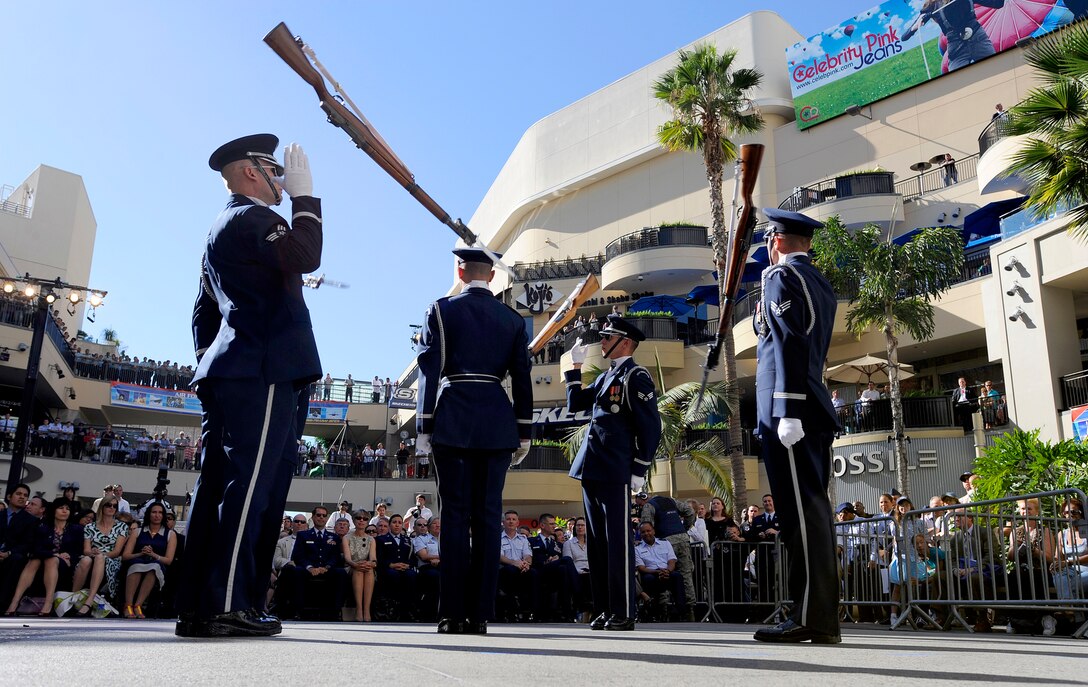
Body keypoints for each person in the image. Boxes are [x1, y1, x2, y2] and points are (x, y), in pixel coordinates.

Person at [177, 134, 323, 638]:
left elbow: (202, 314)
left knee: (219, 485)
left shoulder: (219, 228)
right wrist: (306, 200)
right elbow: (306, 255)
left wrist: (215, 364)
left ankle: (201, 604)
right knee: (250, 487)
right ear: (250, 174)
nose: (282, 179)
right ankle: (229, 603)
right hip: (260, 370)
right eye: (274, 171)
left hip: (237, 369)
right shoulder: (253, 218)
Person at [415, 247, 533, 635]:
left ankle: (451, 613)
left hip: (452, 420)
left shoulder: (441, 310)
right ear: (492, 277)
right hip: (497, 423)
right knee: (488, 518)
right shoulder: (512, 319)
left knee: (453, 517)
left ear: (461, 273)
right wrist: (524, 430)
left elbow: (429, 369)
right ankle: (480, 614)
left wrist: (424, 425)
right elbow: (522, 377)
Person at [751, 208, 841, 644]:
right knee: (813, 512)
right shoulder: (818, 281)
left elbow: (788, 339)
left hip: (792, 410)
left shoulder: (779, 279)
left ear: (778, 241)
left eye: (769, 238)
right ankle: (819, 617)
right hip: (810, 405)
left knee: (801, 517)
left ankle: (811, 617)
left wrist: (786, 408)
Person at [566, 314, 662, 632]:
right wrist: (574, 369)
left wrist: (639, 468)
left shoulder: (636, 376)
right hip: (592, 466)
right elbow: (575, 403)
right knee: (597, 543)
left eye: (607, 338)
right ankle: (605, 608)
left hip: (617, 468)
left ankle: (624, 611)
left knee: (618, 543)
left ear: (624, 342)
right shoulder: (609, 376)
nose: (602, 342)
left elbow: (650, 427)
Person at [3, 497, 83, 616]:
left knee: (50, 560)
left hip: (64, 564)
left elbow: (78, 551)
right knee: (35, 560)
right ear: (54, 510)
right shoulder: (43, 527)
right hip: (41, 560)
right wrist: (54, 554)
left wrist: (67, 556)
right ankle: (15, 601)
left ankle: (48, 602)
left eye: (67, 509)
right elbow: (36, 548)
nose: (65, 511)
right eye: (61, 508)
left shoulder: (76, 529)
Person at [72, 494, 128, 617]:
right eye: (108, 505)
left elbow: (117, 551)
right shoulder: (90, 526)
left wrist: (101, 553)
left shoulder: (122, 526)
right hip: (93, 555)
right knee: (86, 560)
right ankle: (73, 597)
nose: (111, 508)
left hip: (112, 559)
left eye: (114, 506)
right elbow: (86, 550)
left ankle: (89, 600)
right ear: (102, 507)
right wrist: (92, 552)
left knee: (99, 558)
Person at [120, 502, 176, 619]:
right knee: (136, 566)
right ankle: (128, 604)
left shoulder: (170, 534)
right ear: (149, 514)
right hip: (137, 560)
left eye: (160, 512)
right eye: (154, 512)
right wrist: (141, 553)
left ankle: (138, 605)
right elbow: (125, 556)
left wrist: (153, 554)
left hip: (157, 563)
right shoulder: (138, 531)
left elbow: (169, 560)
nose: (157, 515)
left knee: (154, 567)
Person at [342, 511, 376, 622]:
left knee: (369, 571)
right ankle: (359, 609)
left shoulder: (371, 539)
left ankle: (367, 610)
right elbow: (347, 558)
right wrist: (356, 564)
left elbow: (373, 558)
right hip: (351, 566)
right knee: (358, 571)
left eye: (365, 519)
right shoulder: (346, 538)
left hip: (366, 567)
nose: (361, 520)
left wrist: (369, 563)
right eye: (358, 518)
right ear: (353, 520)